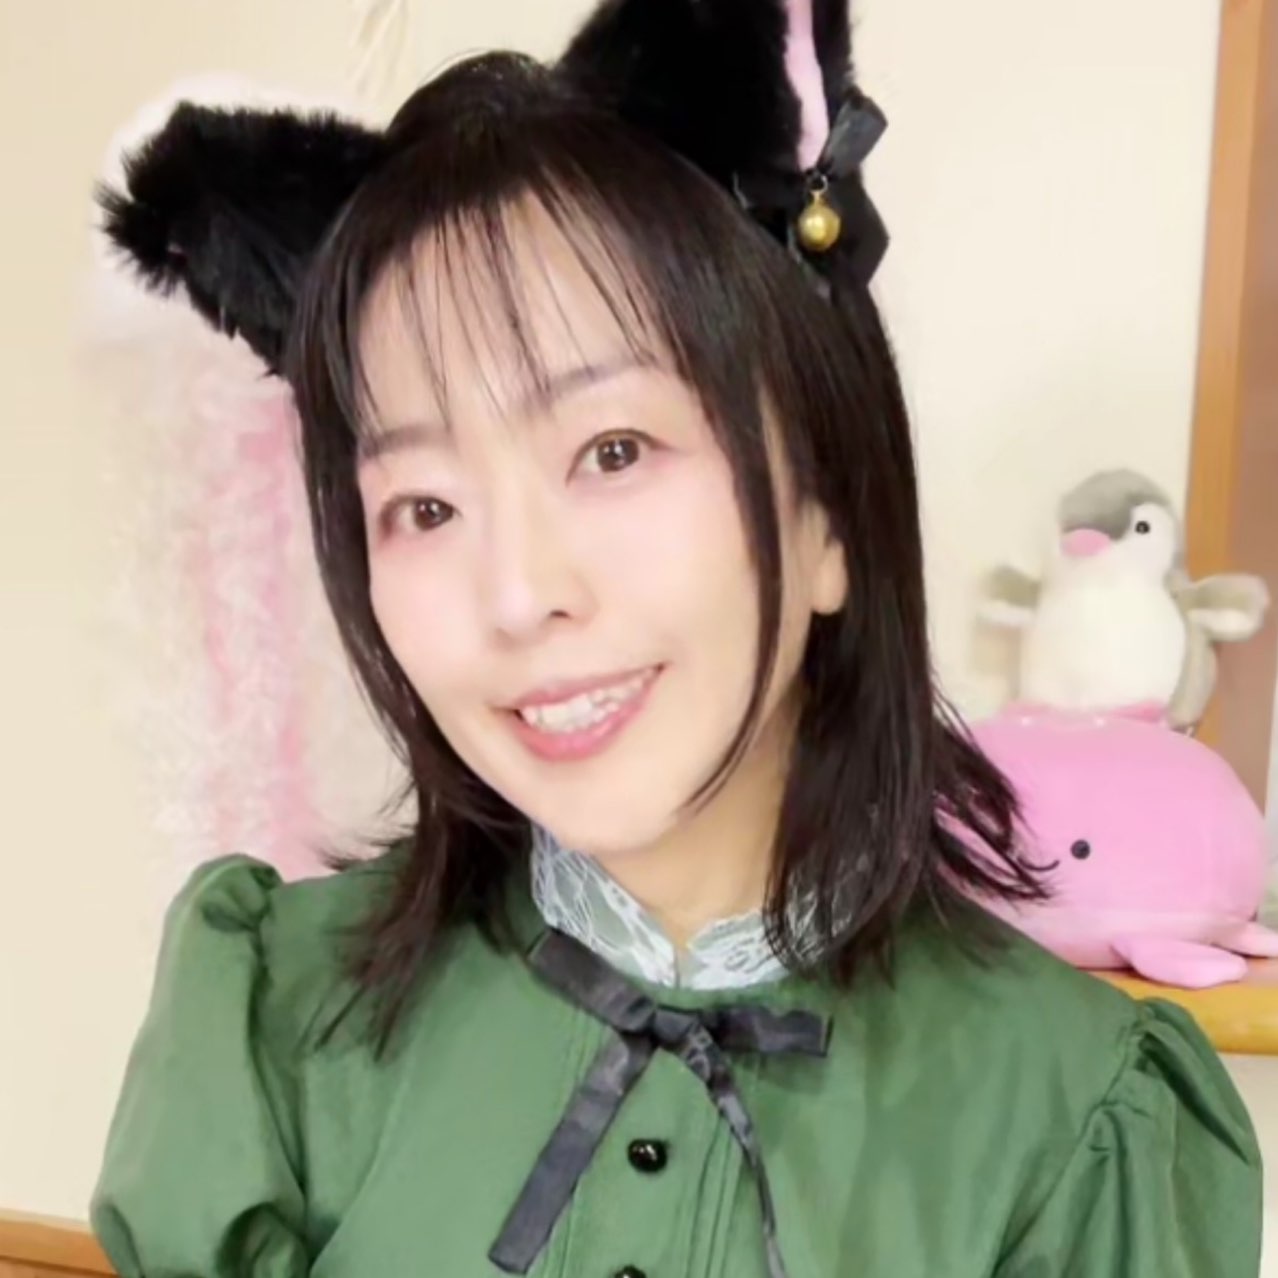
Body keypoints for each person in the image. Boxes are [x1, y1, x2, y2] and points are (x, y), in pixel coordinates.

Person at [89, 1, 1262, 1275]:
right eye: (424, 507)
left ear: (827, 511)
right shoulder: (273, 1024)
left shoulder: (1076, 1119)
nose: (517, 595)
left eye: (613, 450)